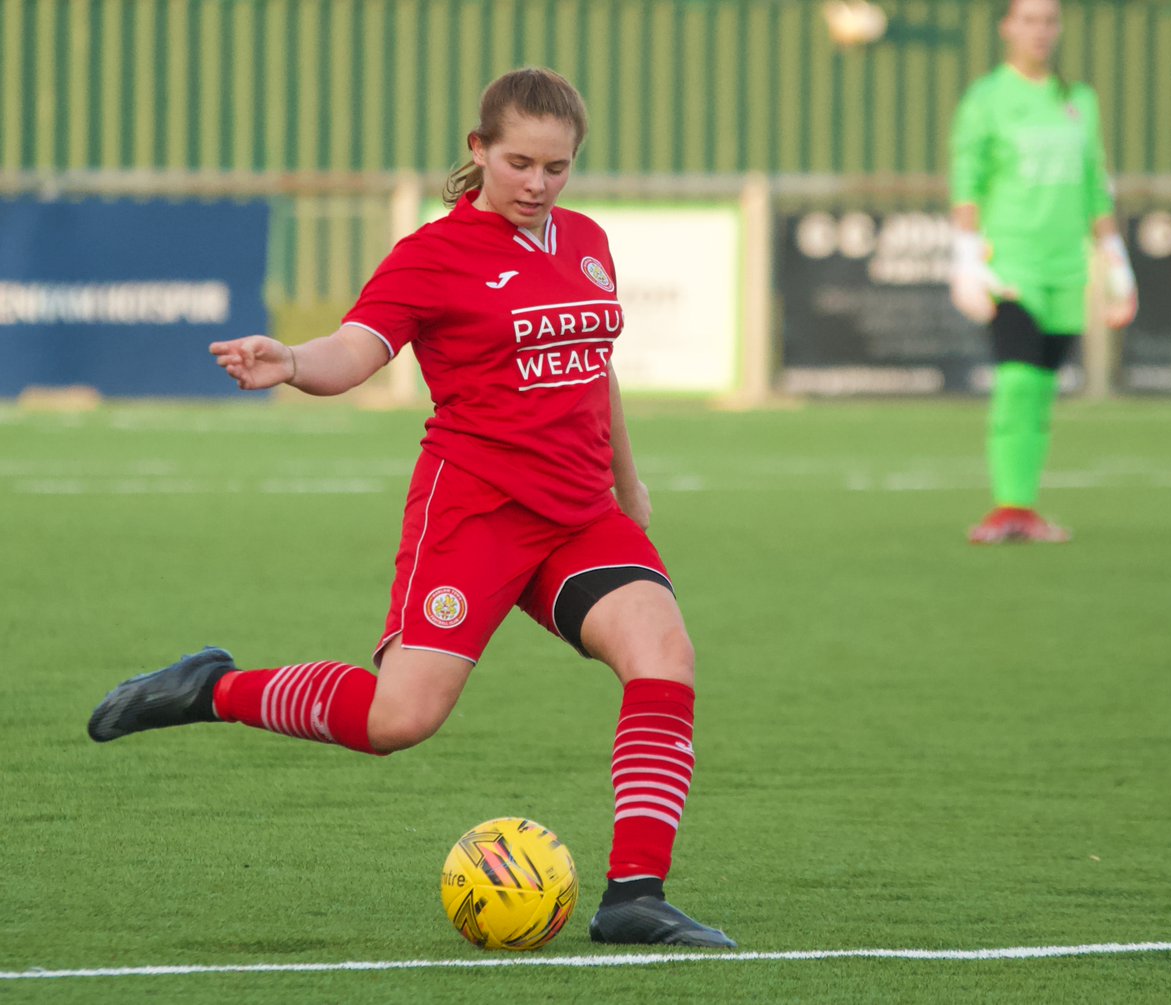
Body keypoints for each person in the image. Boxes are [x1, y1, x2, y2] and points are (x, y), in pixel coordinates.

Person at [87, 67, 734, 950]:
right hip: (476, 512)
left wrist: (630, 485)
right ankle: (212, 689)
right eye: (518, 162)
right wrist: (292, 362)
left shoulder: (585, 240)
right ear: (478, 150)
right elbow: (357, 349)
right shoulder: (433, 254)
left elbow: (597, 363)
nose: (537, 184)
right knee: (400, 720)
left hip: (580, 515)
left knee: (665, 655)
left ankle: (634, 897)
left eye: (556, 167)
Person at [948, 0, 1137, 544]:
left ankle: (1024, 507)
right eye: (1028, 19)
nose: (1040, 30)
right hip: (1011, 260)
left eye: (1049, 20)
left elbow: (1095, 185)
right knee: (1017, 379)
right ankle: (1006, 506)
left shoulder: (1078, 100)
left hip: (1065, 265)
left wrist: (1117, 262)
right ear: (1008, 27)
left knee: (1043, 386)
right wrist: (964, 255)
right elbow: (968, 180)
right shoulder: (987, 99)